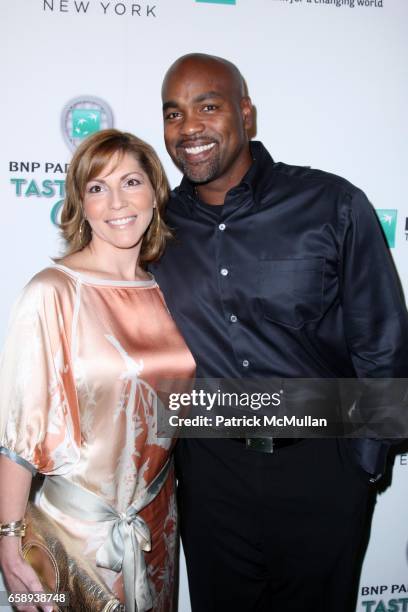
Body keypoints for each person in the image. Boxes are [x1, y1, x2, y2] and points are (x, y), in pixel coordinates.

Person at [150, 53, 408, 611]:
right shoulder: (156, 226)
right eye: (173, 114)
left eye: (208, 106)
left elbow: (382, 339)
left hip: (321, 467)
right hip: (210, 475)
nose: (189, 127)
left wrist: (362, 464)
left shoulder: (330, 204)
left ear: (247, 115)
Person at [0, 129, 195, 612]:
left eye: (131, 182)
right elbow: (19, 435)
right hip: (73, 536)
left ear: (154, 192)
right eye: (97, 188)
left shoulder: (168, 290)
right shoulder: (52, 292)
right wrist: (8, 543)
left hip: (155, 525)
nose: (116, 202)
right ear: (80, 204)